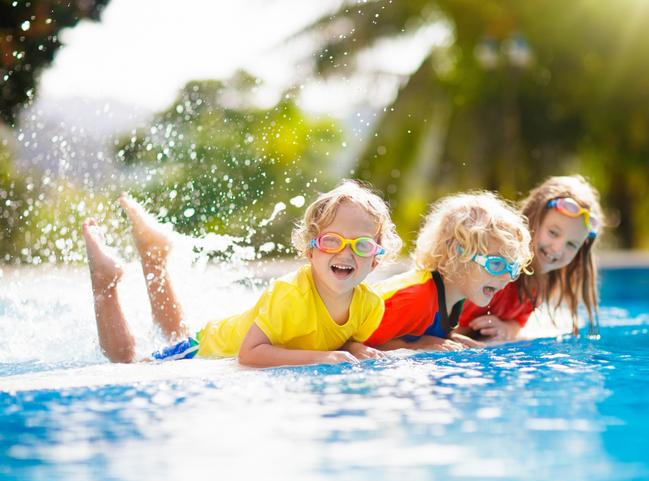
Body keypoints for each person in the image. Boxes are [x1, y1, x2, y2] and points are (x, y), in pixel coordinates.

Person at [82, 180, 402, 367]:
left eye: (361, 246)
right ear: (311, 249)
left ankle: (155, 257)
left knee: (174, 332)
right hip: (208, 347)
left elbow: (341, 340)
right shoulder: (290, 295)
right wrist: (321, 358)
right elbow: (249, 355)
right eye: (333, 241)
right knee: (129, 364)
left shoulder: (370, 306)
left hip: (216, 338)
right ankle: (105, 283)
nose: (345, 253)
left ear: (376, 258)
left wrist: (354, 348)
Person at [363, 192, 533, 351]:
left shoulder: (453, 297)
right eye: (496, 265)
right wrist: (421, 344)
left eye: (513, 269)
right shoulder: (416, 298)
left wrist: (453, 338)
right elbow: (358, 345)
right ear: (457, 254)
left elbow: (420, 330)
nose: (507, 277)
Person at [458, 175, 603, 341]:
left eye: (571, 245)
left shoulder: (540, 283)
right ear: (532, 218)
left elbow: (518, 322)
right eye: (553, 232)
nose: (558, 248)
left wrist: (506, 328)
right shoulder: (497, 264)